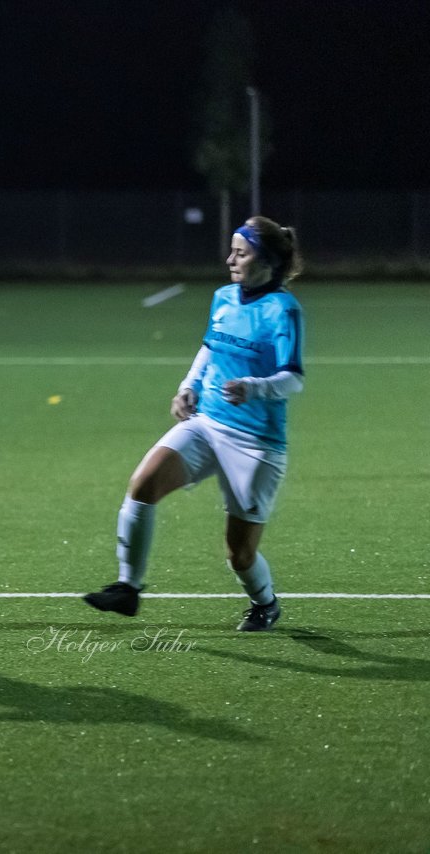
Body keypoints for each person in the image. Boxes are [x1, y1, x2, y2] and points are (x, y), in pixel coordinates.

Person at [84, 215, 305, 632]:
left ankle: (265, 602)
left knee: (239, 554)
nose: (230, 260)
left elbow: (292, 377)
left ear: (267, 262)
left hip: (256, 443)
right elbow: (209, 348)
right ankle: (127, 588)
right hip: (207, 424)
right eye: (232, 251)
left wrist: (253, 388)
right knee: (143, 484)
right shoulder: (223, 297)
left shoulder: (283, 310)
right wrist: (187, 386)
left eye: (241, 253)